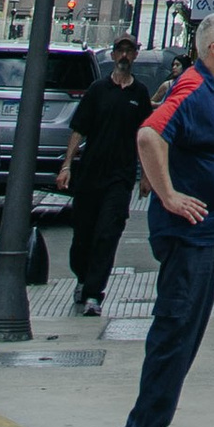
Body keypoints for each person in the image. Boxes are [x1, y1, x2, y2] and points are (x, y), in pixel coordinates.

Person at [118, 10, 214, 427]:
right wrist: (170, 195)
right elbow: (149, 135)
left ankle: (149, 423)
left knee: (185, 334)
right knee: (175, 331)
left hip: (208, 238)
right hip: (189, 239)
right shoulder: (193, 88)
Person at [58, 35, 153, 314]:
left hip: (120, 177)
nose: (124, 56)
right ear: (113, 56)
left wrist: (147, 175)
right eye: (120, 51)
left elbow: (144, 137)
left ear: (135, 55)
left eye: (129, 51)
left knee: (108, 233)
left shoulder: (140, 95)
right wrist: (66, 166)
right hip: (90, 175)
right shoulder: (97, 90)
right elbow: (79, 130)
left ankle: (94, 294)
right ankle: (82, 276)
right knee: (83, 236)